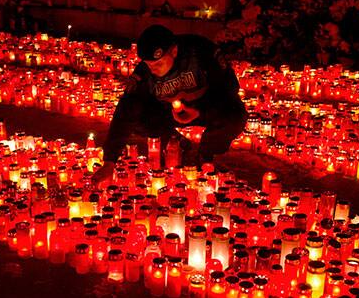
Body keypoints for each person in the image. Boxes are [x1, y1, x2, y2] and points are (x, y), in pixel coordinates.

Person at [92, 25, 248, 185]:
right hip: (167, 113)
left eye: (158, 63)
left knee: (235, 114)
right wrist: (109, 161)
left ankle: (206, 155)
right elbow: (126, 108)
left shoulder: (201, 51)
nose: (154, 69)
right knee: (137, 119)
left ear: (173, 51)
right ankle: (175, 140)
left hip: (206, 106)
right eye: (149, 65)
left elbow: (229, 87)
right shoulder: (145, 71)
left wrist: (200, 111)